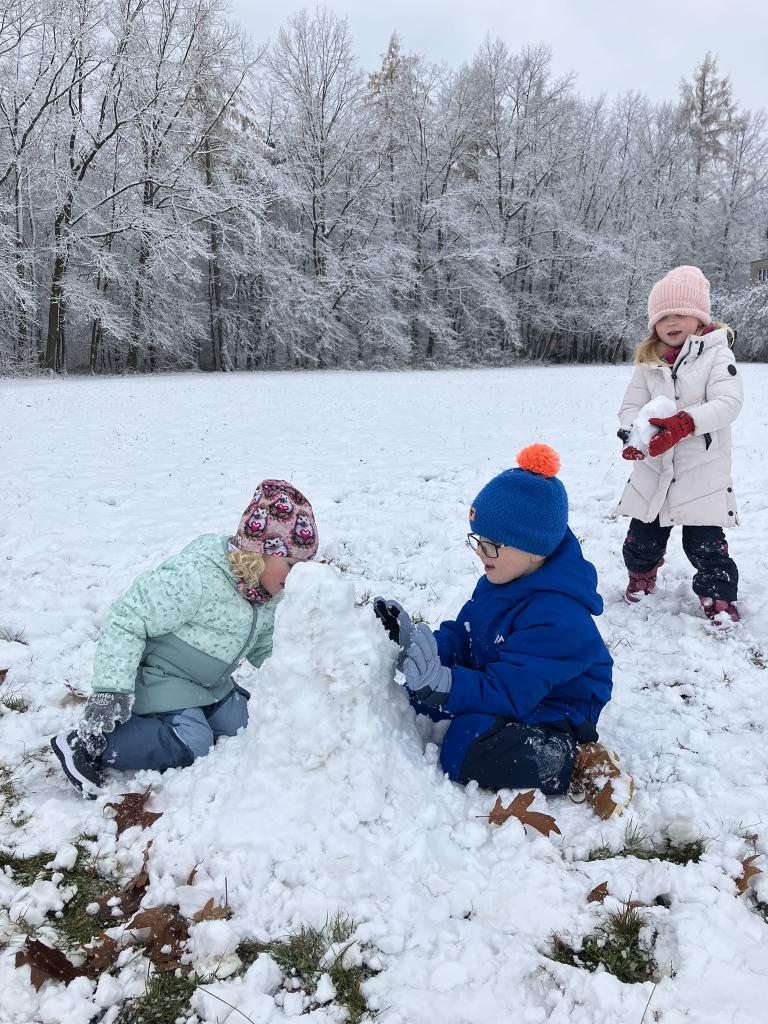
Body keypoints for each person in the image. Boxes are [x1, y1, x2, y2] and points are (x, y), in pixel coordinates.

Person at [375, 445, 629, 819]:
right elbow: (466, 634)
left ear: (534, 548)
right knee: (417, 700)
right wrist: (419, 646)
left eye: (492, 544)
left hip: (554, 706)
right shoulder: (502, 577)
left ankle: (576, 761)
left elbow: (509, 692)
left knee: (465, 746)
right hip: (508, 677)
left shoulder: (558, 618)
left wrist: (445, 684)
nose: (481, 552)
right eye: (478, 540)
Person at [51, 480, 318, 798]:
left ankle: (200, 713)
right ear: (261, 552)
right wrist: (112, 689)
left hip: (208, 684)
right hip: (160, 678)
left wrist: (305, 670)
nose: (297, 576)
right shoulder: (196, 578)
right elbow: (127, 617)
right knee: (194, 741)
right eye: (291, 565)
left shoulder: (267, 592)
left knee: (249, 723)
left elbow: (264, 646)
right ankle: (89, 742)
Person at [617, 265, 742, 623]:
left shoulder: (716, 355)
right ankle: (641, 573)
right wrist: (636, 433)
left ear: (700, 317)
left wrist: (685, 422)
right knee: (642, 537)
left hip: (700, 470)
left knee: (705, 544)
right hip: (654, 468)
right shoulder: (648, 363)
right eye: (662, 317)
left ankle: (717, 595)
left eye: (680, 314)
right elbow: (630, 407)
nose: (670, 322)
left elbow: (728, 402)